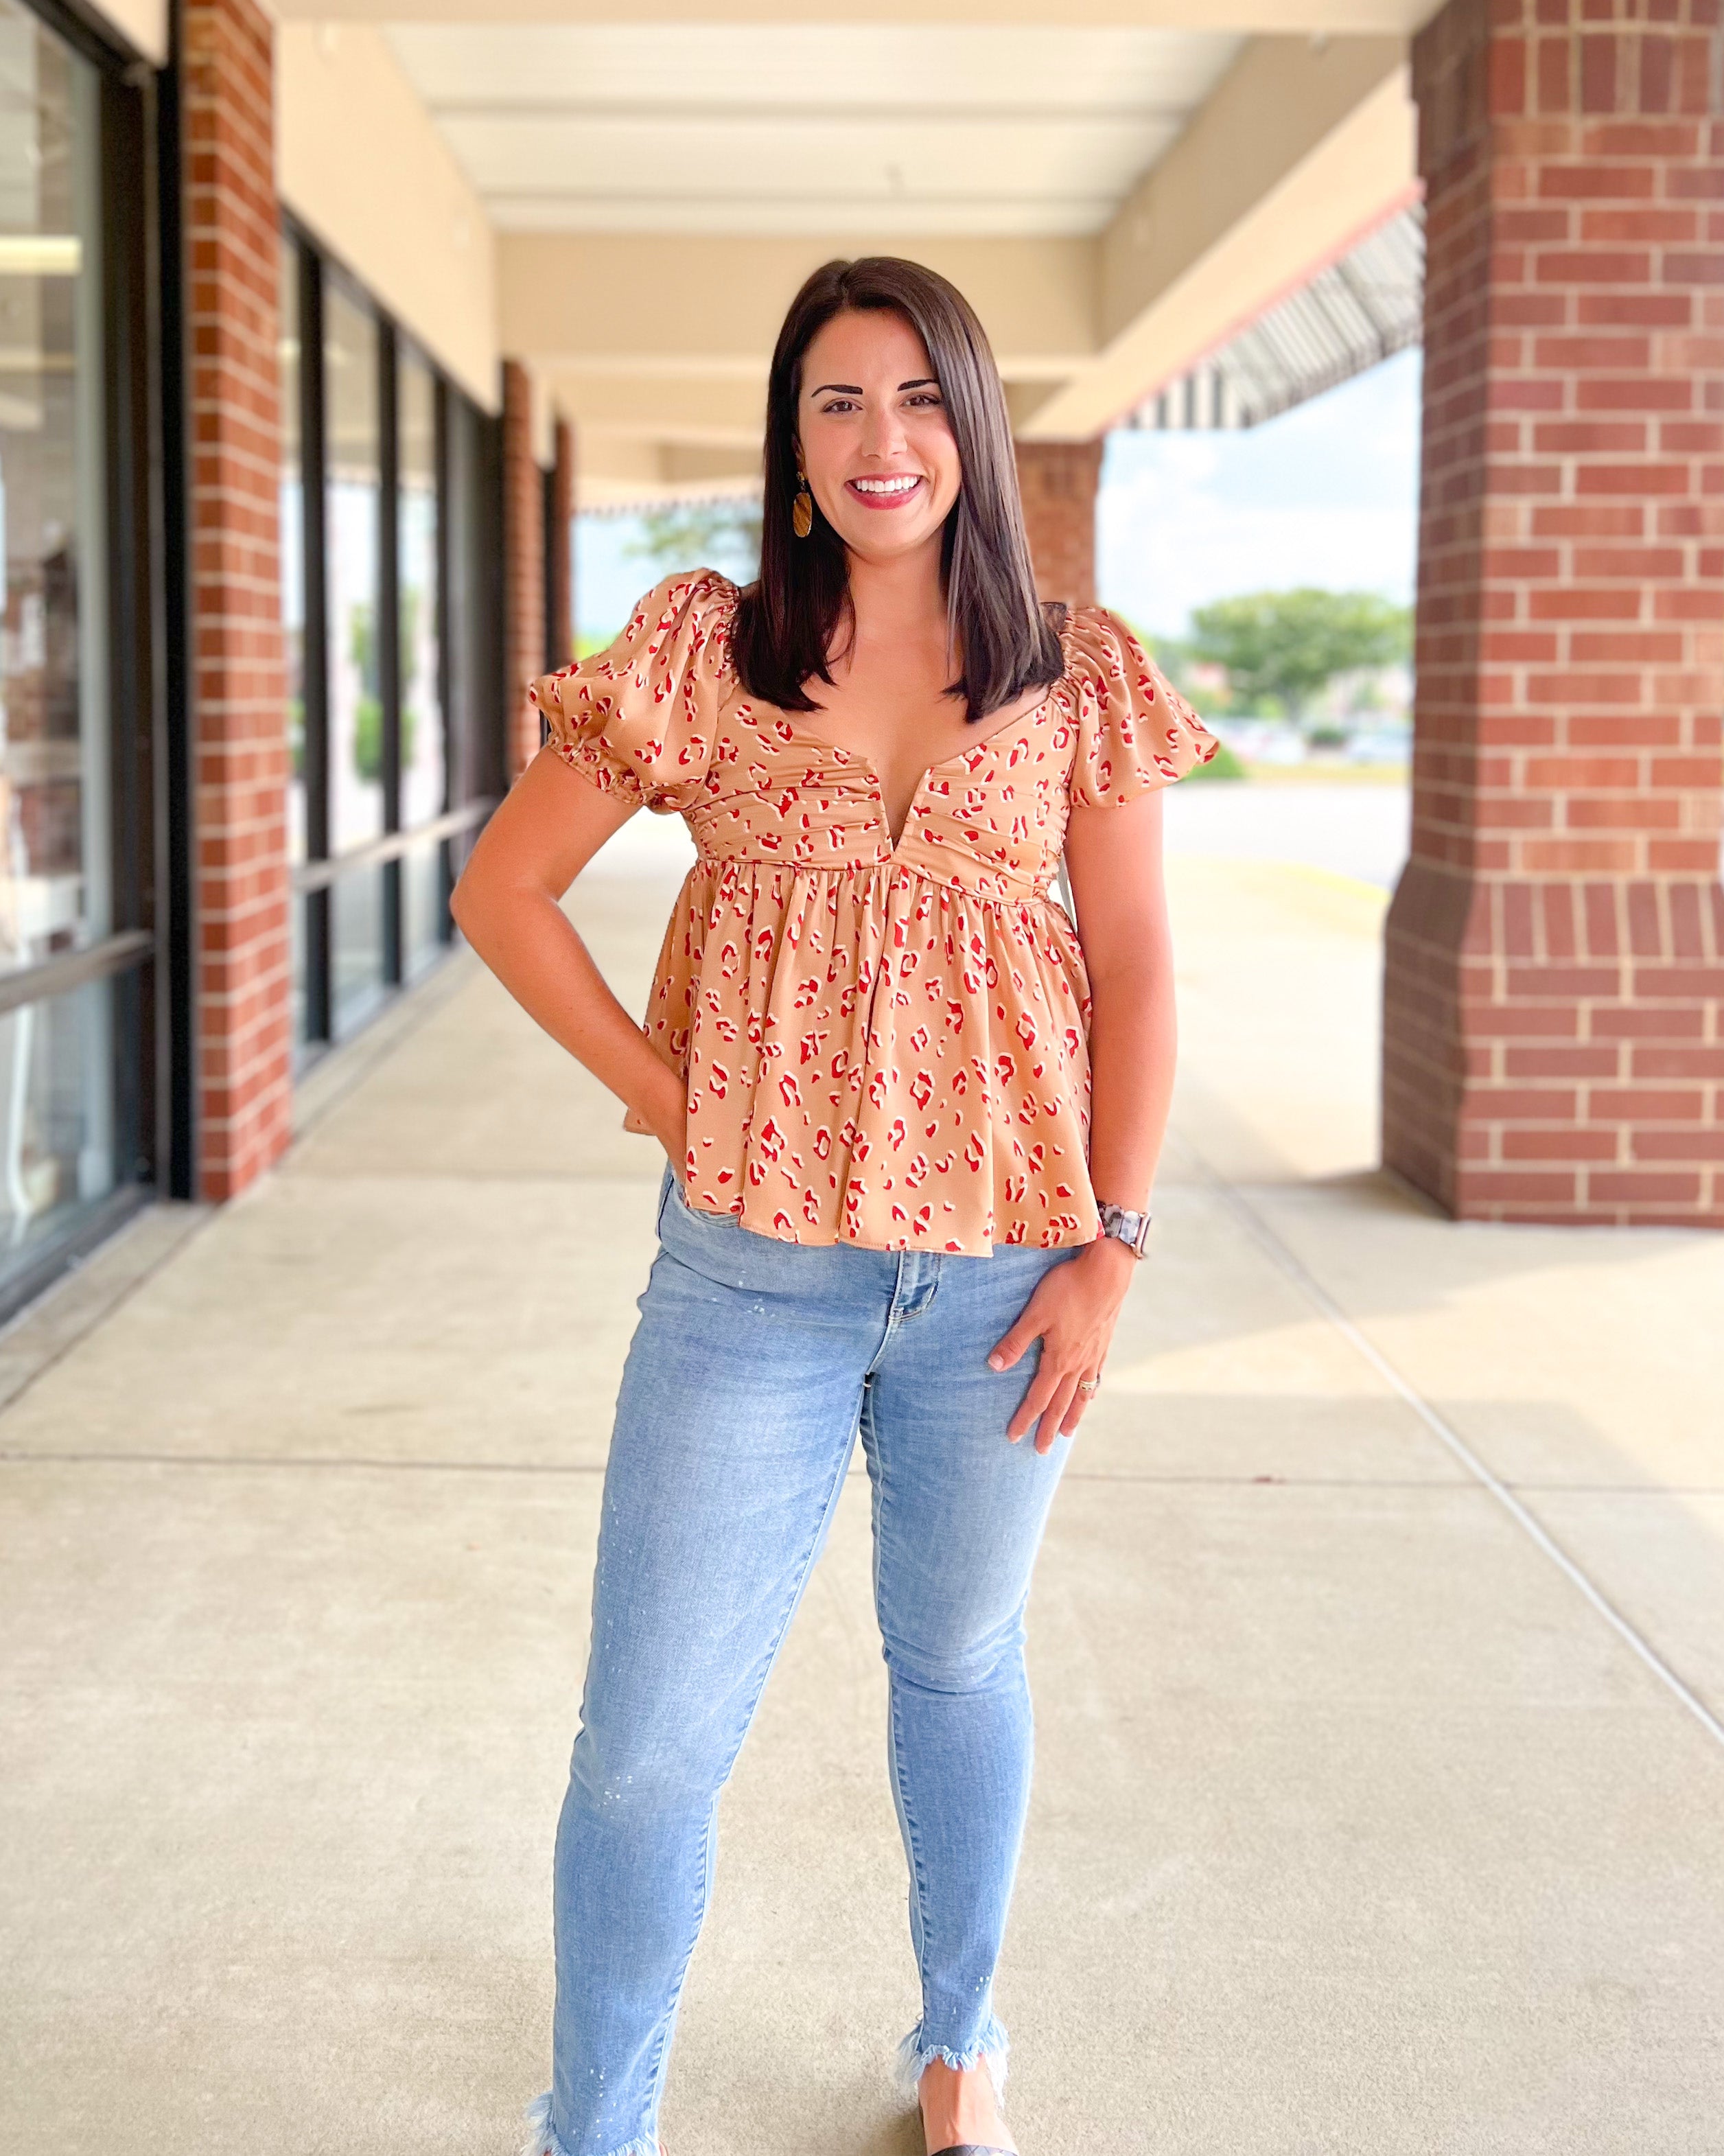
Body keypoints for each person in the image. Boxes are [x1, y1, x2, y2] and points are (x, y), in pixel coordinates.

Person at [453, 254, 1215, 2156]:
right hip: (751, 1287)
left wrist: (1114, 1248)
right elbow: (502, 893)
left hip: (1006, 1281)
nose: (886, 439)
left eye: (922, 398)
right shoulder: (706, 653)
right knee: (646, 1745)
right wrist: (672, 1100)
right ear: (794, 444)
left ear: (977, 426)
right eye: (840, 402)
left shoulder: (1072, 671)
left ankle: (960, 2050)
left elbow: (1136, 966)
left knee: (958, 1662)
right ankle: (595, 2130)